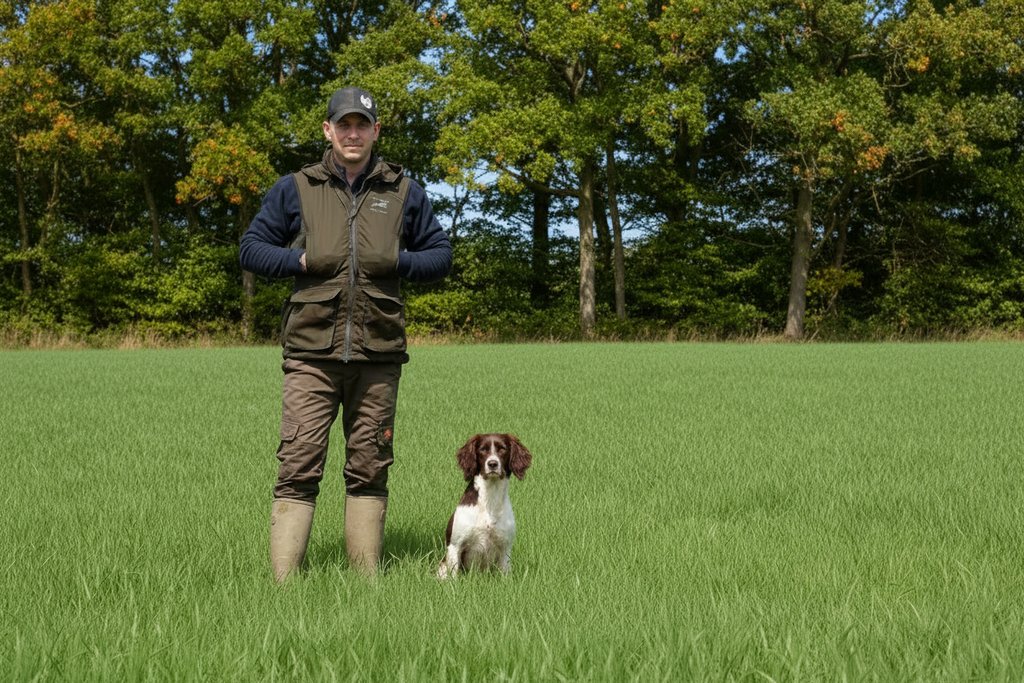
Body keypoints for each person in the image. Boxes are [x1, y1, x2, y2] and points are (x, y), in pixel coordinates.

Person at [239, 87, 452, 580]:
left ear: (376, 131)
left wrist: (399, 260)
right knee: (298, 462)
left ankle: (366, 586)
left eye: (363, 125)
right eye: (344, 124)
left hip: (379, 352)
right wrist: (301, 260)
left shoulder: (404, 191)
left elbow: (441, 255)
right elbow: (251, 248)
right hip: (311, 352)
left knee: (370, 464)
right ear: (328, 131)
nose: (353, 133)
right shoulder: (295, 187)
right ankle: (284, 588)